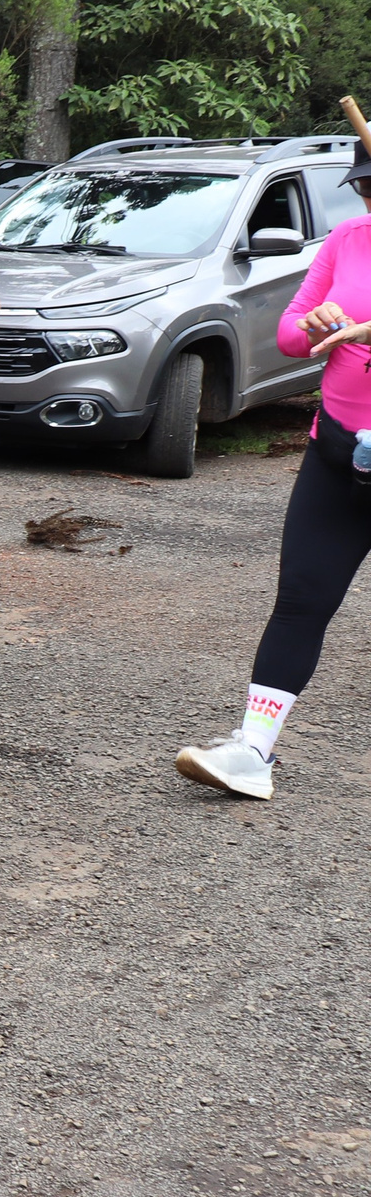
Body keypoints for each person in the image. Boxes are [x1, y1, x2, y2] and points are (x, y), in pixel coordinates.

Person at [175, 142, 371, 799]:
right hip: (339, 454)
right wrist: (317, 323)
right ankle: (253, 751)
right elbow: (290, 335)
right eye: (365, 191)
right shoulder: (347, 239)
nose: (369, 203)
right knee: (300, 601)